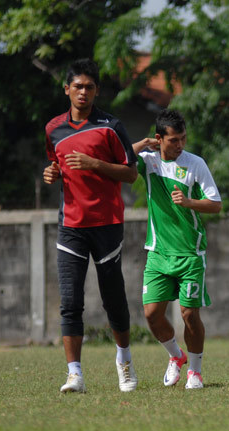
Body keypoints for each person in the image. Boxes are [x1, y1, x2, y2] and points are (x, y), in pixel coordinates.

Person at [43, 58, 138, 393]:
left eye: (89, 87)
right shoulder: (53, 129)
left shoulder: (111, 126)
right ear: (66, 89)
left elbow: (130, 173)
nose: (83, 92)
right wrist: (51, 173)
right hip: (70, 224)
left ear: (97, 90)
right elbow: (57, 166)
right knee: (70, 300)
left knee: (113, 298)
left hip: (107, 223)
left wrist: (95, 163)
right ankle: (74, 374)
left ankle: (124, 362)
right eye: (77, 86)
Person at [133, 109, 222, 389]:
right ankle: (176, 356)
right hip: (158, 252)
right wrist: (142, 144)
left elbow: (216, 203)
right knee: (151, 313)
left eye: (183, 138)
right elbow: (117, 157)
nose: (180, 144)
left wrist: (189, 202)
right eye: (173, 140)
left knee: (188, 314)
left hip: (190, 254)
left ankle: (195, 372)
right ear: (159, 139)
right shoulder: (147, 162)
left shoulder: (195, 163)